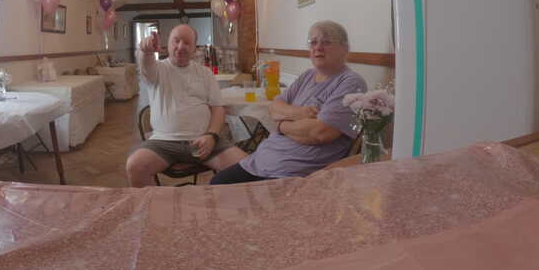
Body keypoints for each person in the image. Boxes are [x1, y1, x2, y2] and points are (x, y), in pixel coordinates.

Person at [210, 21, 367, 184]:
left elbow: (320, 133)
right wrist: (300, 113)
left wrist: (281, 125)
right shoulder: (307, 76)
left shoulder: (351, 83)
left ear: (344, 48)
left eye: (326, 42)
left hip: (295, 172)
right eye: (313, 42)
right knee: (217, 183)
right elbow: (274, 107)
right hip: (260, 161)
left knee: (225, 192)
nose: (318, 47)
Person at [126, 25, 247, 187]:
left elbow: (218, 108)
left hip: (204, 141)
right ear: (168, 44)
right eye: (176, 41)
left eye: (187, 43)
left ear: (195, 49)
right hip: (163, 142)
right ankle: (155, 203)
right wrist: (146, 51)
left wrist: (211, 136)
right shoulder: (158, 69)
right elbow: (146, 65)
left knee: (245, 167)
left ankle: (220, 200)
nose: (181, 46)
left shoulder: (205, 73)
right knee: (135, 166)